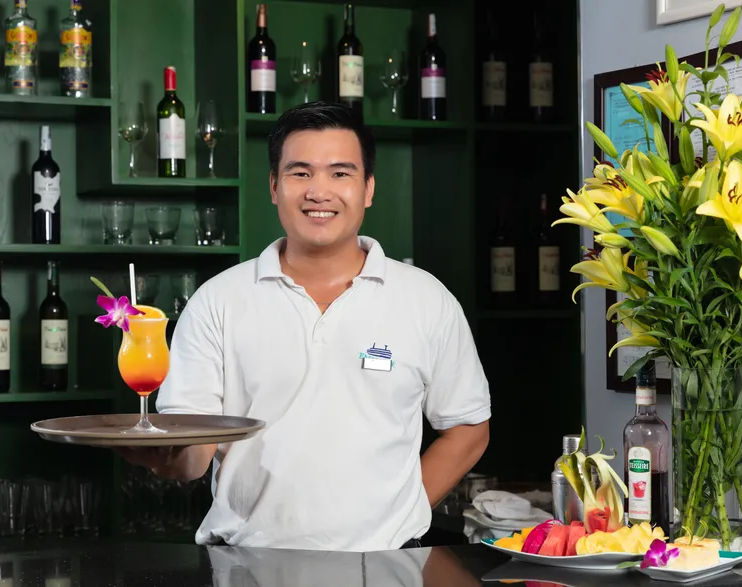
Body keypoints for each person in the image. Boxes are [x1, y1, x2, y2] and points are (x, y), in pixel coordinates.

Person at [118, 101, 491, 552]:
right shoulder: (217, 302)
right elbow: (193, 455)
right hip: (248, 564)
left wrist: (405, 512)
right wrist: (162, 457)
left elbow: (469, 429)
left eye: (340, 173)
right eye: (300, 173)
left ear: (368, 188)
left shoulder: (426, 300)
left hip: (388, 566)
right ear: (274, 187)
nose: (319, 191)